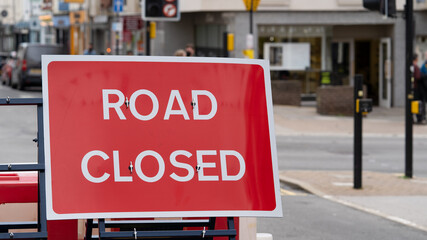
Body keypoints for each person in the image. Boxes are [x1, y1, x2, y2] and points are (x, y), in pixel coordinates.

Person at [413, 53, 426, 124]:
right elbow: (418, 77)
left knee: (414, 103)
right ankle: (419, 118)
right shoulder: (416, 67)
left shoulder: (412, 66)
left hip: (413, 88)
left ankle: (415, 118)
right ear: (416, 59)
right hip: (417, 88)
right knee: (417, 103)